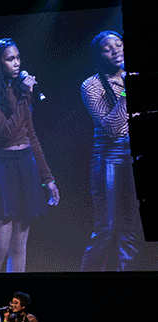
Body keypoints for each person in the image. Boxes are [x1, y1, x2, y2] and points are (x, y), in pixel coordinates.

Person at [0, 38, 61, 273]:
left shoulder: (19, 90)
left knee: (19, 248)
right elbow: (7, 132)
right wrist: (25, 97)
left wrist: (48, 178)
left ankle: (15, 305)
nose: (16, 63)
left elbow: (30, 136)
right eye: (9, 59)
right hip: (2, 170)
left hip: (26, 167)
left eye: (18, 58)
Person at [80, 30, 143, 271]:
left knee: (133, 229)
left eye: (119, 44)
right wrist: (127, 92)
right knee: (107, 227)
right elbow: (111, 128)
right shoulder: (91, 85)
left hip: (134, 156)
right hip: (109, 156)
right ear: (99, 54)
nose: (116, 50)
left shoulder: (135, 76)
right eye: (108, 48)